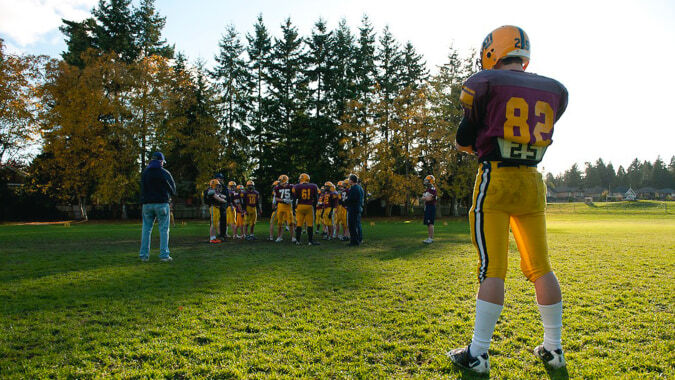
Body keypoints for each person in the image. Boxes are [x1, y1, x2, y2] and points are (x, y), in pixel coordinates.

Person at [447, 25, 569, 374]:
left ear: (491, 52)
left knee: (493, 269)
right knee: (541, 266)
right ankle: (553, 347)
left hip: (496, 180)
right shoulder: (555, 89)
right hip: (533, 182)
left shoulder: (484, 84)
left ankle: (478, 354)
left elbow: (464, 137)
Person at [139, 151, 176, 262]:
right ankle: (164, 255)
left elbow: (142, 188)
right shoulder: (164, 172)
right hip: (162, 203)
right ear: (161, 161)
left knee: (146, 229)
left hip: (147, 204)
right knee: (164, 230)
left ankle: (144, 255)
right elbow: (173, 189)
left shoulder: (145, 173)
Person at [292, 173, 320, 245]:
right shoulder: (313, 186)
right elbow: (316, 197)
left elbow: (294, 198)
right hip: (309, 206)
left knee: (299, 224)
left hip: (300, 206)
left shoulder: (297, 186)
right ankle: (310, 241)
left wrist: (293, 208)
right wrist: (314, 205)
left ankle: (298, 241)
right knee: (310, 224)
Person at [273, 175, 295, 242]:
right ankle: (279, 237)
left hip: (288, 206)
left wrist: (292, 200)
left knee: (291, 222)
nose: (279, 182)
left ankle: (293, 237)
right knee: (279, 223)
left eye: (281, 181)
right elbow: (276, 198)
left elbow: (295, 196)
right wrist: (283, 200)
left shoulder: (291, 186)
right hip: (281, 206)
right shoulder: (277, 187)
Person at [206, 179, 228, 244]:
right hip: (213, 208)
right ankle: (212, 238)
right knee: (213, 223)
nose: (218, 187)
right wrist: (224, 200)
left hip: (217, 208)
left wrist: (221, 196)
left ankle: (214, 237)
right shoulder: (211, 191)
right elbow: (218, 198)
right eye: (217, 185)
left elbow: (224, 196)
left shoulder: (215, 191)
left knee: (215, 223)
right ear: (213, 185)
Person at [345, 174, 363, 246]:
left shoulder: (354, 188)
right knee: (356, 225)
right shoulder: (358, 187)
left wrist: (346, 200)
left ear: (352, 180)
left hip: (353, 209)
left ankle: (354, 242)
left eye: (349, 179)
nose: (348, 181)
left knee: (352, 225)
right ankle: (357, 240)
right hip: (357, 208)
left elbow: (352, 199)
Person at [422, 175, 438, 244]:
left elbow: (428, 199)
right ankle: (429, 237)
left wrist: (425, 197)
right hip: (428, 207)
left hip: (431, 207)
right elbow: (423, 197)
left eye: (427, 180)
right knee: (428, 224)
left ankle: (431, 238)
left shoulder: (432, 189)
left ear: (430, 181)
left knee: (430, 223)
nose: (425, 181)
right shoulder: (428, 189)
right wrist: (425, 197)